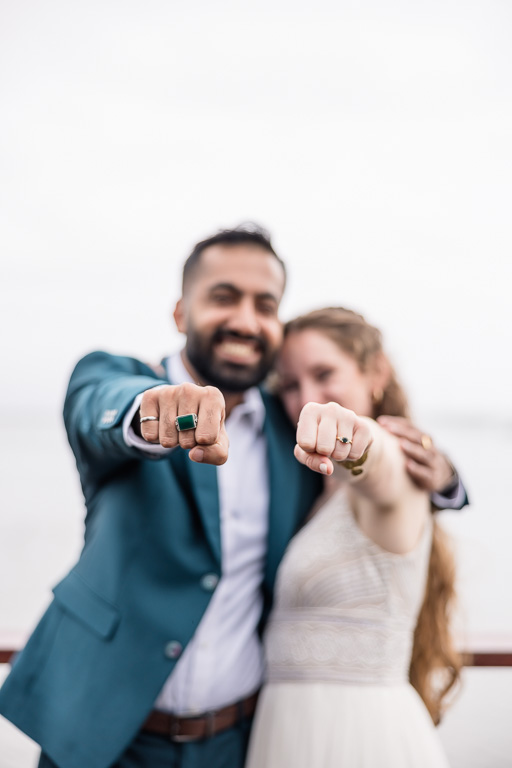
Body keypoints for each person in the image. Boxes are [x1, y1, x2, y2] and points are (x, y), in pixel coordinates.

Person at [0, 226, 466, 768]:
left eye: (264, 305)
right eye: (224, 297)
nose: (245, 320)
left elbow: (377, 470)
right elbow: (98, 409)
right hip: (103, 734)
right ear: (181, 313)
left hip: (238, 741)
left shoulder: (285, 421)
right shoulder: (120, 380)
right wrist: (153, 413)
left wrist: (444, 477)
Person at [245, 306, 462, 768]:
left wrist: (357, 441)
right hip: (286, 732)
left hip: (356, 737)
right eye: (290, 384)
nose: (307, 398)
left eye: (325, 374)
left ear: (375, 372)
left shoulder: (399, 468)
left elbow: (375, 463)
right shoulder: (311, 490)